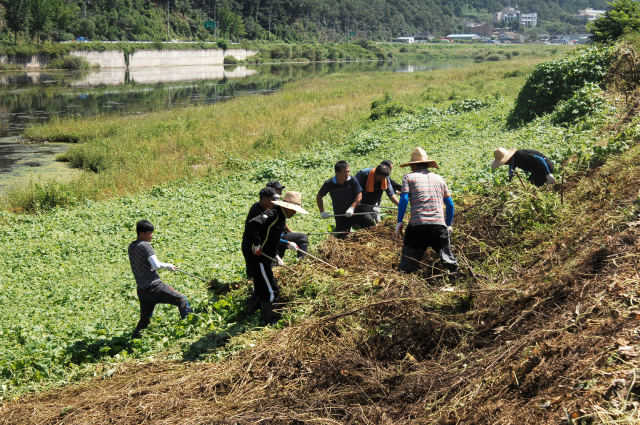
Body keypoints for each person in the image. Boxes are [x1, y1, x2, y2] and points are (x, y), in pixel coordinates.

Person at [242, 191, 308, 324]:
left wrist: (277, 254)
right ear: (287, 207)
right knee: (272, 290)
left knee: (261, 288)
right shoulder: (273, 214)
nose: (294, 214)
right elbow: (252, 224)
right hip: (258, 258)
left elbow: (272, 238)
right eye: (294, 210)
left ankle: (249, 317)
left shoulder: (282, 217)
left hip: (265, 257)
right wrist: (256, 245)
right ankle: (270, 321)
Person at [395, 148, 458, 275]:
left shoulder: (408, 177)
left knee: (407, 263)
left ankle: (405, 281)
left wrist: (399, 222)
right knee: (449, 262)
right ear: (428, 164)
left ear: (413, 165)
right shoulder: (440, 179)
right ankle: (456, 281)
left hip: (417, 227)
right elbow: (450, 204)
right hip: (439, 226)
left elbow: (404, 199)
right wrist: (449, 225)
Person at [129, 220, 192, 338]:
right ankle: (191, 329)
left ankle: (134, 340)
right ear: (142, 234)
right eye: (149, 233)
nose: (152, 235)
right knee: (182, 299)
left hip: (142, 291)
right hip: (154, 287)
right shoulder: (145, 245)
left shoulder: (131, 246)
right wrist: (168, 265)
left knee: (144, 319)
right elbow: (156, 265)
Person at [316, 160, 367, 238]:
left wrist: (352, 207)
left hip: (355, 211)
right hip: (341, 214)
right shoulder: (329, 184)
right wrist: (322, 211)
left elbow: (359, 195)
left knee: (370, 225)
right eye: (344, 172)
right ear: (337, 172)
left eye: (348, 171)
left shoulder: (352, 180)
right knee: (341, 237)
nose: (347, 174)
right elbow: (319, 197)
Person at [266, 180, 309, 258]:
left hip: (279, 237)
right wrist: (287, 243)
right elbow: (269, 238)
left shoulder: (280, 210)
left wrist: (290, 232)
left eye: (280, 189)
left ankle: (302, 262)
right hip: (269, 243)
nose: (280, 191)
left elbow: (282, 224)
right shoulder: (272, 212)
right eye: (277, 189)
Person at [245, 187, 280, 279]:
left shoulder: (266, 209)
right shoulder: (258, 210)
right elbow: (251, 225)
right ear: (264, 199)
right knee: (253, 272)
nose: (275, 201)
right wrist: (256, 244)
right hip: (250, 245)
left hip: (260, 245)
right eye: (273, 199)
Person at [491, 147, 557, 187]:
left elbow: (540, 159)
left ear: (508, 158)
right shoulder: (512, 162)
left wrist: (548, 174)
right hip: (536, 171)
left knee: (531, 186)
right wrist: (509, 186)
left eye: (504, 162)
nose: (504, 164)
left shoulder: (520, 155)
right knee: (530, 185)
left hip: (545, 166)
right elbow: (511, 175)